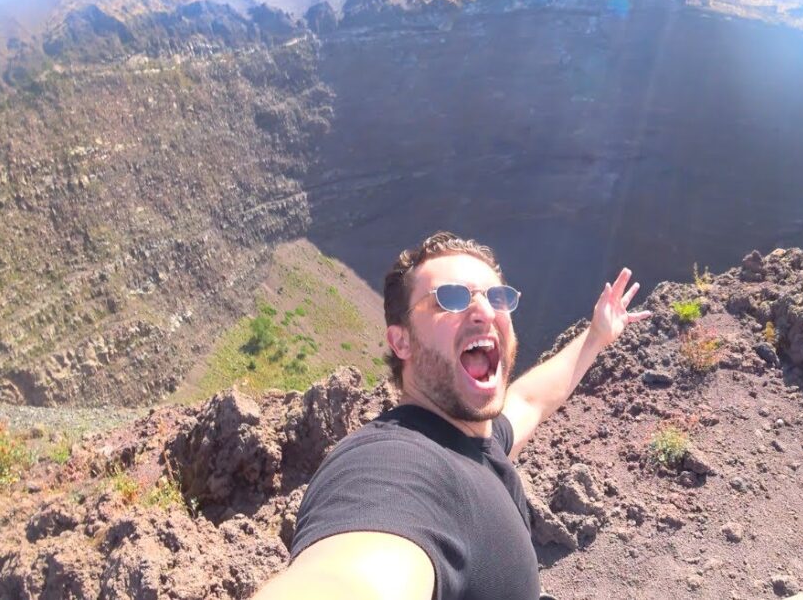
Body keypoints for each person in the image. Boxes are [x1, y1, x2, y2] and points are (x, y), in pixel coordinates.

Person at [252, 231, 651, 600]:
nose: (484, 311)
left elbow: (530, 400)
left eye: (496, 297)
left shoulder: (478, 438)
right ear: (401, 340)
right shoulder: (391, 465)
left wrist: (598, 334)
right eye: (452, 299)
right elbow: (347, 576)